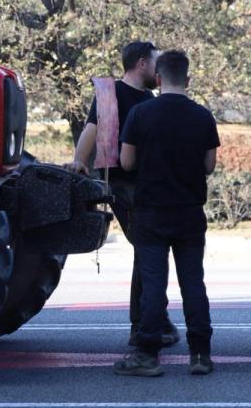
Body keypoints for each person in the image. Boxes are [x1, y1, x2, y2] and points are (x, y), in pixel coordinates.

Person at [63, 40, 179, 348]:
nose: (159, 68)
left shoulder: (151, 97)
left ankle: (154, 317)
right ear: (141, 63)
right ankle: (143, 324)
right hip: (122, 184)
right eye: (155, 62)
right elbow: (92, 127)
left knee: (149, 250)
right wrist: (79, 160)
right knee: (147, 248)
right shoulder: (110, 92)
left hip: (149, 184)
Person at [112, 50, 219, 377]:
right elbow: (209, 166)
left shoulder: (141, 114)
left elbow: (126, 162)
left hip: (150, 213)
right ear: (187, 79)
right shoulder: (203, 117)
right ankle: (200, 354)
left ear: (157, 79)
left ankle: (147, 355)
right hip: (189, 213)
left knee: (154, 285)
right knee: (193, 283)